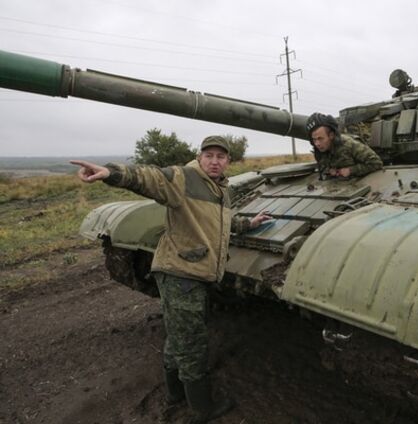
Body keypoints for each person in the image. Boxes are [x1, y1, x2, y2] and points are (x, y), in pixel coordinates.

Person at [70, 135, 270, 424]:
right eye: (209, 155)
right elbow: (151, 178)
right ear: (200, 158)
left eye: (221, 156)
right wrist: (112, 173)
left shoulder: (220, 190)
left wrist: (248, 224)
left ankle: (176, 393)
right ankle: (203, 408)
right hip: (181, 274)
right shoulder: (185, 178)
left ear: (228, 161)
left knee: (178, 337)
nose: (215, 161)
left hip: (191, 274)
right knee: (192, 344)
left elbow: (218, 224)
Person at [305, 112, 383, 178]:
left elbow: (376, 163)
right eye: (314, 140)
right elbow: (323, 169)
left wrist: (351, 170)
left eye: (320, 138)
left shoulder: (349, 144)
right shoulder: (319, 151)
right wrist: (330, 171)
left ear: (331, 135)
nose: (317, 144)